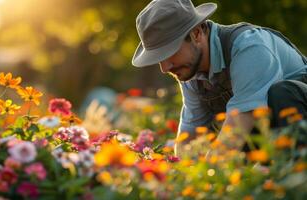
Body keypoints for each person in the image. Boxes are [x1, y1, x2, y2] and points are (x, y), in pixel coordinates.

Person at [131, 0, 307, 155]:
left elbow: (237, 129)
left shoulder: (248, 47)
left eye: (169, 53)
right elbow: (189, 136)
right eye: (159, 59)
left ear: (196, 33)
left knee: (282, 93)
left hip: (298, 122)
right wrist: (179, 175)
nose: (165, 68)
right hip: (272, 135)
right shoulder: (190, 71)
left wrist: (205, 176)